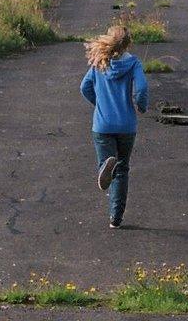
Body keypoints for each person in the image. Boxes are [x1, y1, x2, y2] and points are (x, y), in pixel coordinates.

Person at [79, 24, 148, 229]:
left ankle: (104, 167)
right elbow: (142, 88)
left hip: (102, 123)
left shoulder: (99, 62)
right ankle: (116, 218)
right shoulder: (133, 63)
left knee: (109, 163)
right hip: (126, 124)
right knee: (122, 169)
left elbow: (84, 87)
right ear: (128, 44)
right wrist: (141, 105)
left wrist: (97, 103)